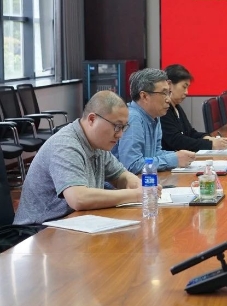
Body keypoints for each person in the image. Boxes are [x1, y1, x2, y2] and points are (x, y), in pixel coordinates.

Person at [13, 91, 146, 225]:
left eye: (123, 127)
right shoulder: (65, 144)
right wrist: (135, 195)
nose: (120, 134)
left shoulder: (98, 143)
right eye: (117, 127)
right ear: (92, 119)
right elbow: (78, 198)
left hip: (74, 222)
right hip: (38, 230)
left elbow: (120, 175)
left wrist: (139, 186)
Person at [113, 68, 195, 174]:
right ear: (144, 96)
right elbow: (132, 165)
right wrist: (174, 159)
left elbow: (155, 154)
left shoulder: (155, 116)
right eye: (164, 93)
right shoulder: (133, 118)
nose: (168, 99)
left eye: (169, 93)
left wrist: (178, 155)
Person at [161, 64, 227, 152]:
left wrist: (207, 137)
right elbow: (176, 140)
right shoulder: (163, 110)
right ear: (169, 85)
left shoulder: (176, 107)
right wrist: (210, 144)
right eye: (184, 87)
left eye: (187, 88)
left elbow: (190, 132)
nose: (186, 92)